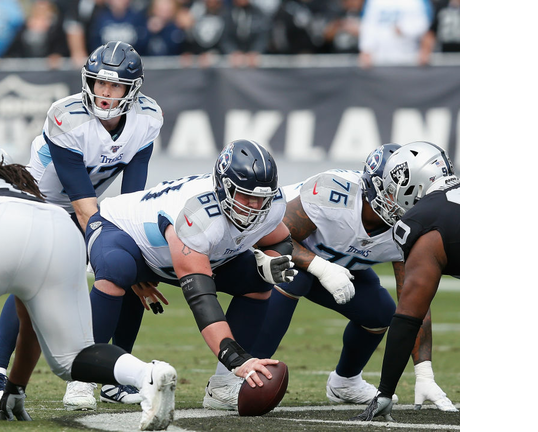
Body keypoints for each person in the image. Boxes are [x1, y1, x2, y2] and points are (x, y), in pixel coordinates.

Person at [0, 150, 177, 429]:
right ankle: (147, 374)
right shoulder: (27, 195)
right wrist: (16, 387)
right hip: (62, 227)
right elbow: (28, 317)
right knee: (72, 359)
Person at [200, 143, 455, 411]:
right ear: (382, 188)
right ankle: (227, 379)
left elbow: (414, 299)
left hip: (340, 267)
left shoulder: (411, 226)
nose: (416, 203)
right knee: (294, 275)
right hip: (275, 253)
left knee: (381, 312)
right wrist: (321, 267)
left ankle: (345, 382)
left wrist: (424, 372)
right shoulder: (334, 193)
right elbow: (271, 237)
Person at [0, 40, 163, 410]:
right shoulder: (67, 116)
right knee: (33, 278)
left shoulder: (148, 118)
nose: (104, 92)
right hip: (42, 202)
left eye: (114, 86)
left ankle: (114, 375)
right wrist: (106, 254)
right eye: (99, 83)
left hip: (89, 204)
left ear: (133, 89)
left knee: (131, 264)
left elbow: (132, 198)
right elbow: (81, 206)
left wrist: (133, 255)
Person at [81, 139, 298, 409]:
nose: (254, 206)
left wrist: (269, 263)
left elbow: (280, 240)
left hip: (183, 255)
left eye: (261, 198)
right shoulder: (198, 215)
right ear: (224, 187)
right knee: (117, 270)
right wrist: (236, 359)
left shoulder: (271, 204)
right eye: (245, 195)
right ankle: (83, 377)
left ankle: (222, 386)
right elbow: (201, 298)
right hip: (123, 232)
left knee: (258, 279)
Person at [351, 141, 460, 422]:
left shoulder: (423, 219)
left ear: (416, 183)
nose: (392, 199)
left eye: (392, 191)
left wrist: (386, 391)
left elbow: (410, 312)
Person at [358, 0, 433, 67]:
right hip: (379, 59)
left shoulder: (417, 2)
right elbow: (368, 26)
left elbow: (424, 25)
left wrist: (405, 29)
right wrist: (366, 49)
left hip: (409, 58)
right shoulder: (374, 2)